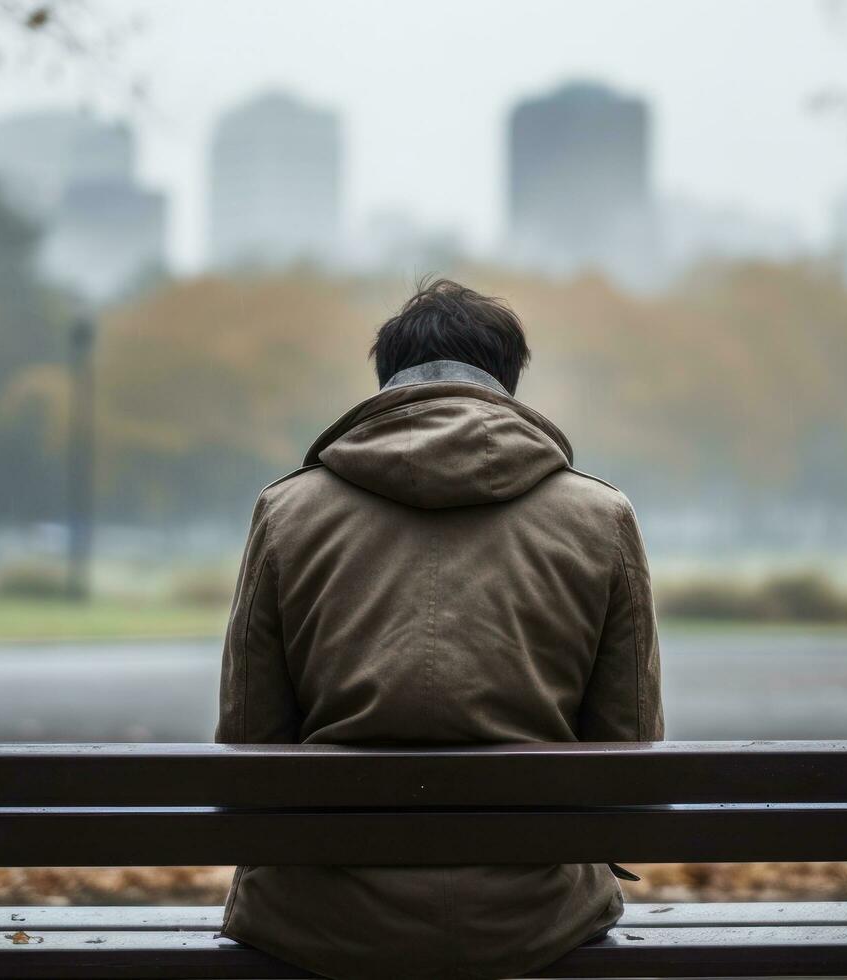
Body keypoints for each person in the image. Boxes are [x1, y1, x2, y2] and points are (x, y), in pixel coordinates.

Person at [216, 278, 663, 980]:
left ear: (387, 380)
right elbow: (627, 757)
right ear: (506, 383)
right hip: (535, 915)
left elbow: (248, 746)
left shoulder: (287, 511)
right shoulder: (599, 517)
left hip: (317, 916)